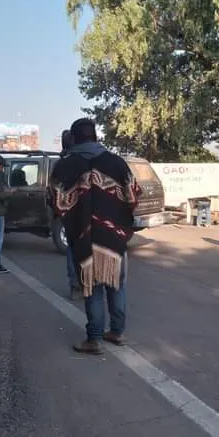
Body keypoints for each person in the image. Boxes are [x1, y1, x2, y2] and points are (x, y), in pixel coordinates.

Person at [52, 118, 141, 355]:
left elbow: (55, 201)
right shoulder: (116, 162)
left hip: (85, 239)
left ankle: (94, 340)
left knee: (92, 289)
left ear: (73, 138)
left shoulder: (66, 165)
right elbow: (133, 196)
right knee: (117, 287)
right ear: (95, 136)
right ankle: (118, 332)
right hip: (115, 239)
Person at [56, 129, 82, 298]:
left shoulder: (60, 163)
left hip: (68, 215)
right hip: (87, 213)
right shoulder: (84, 161)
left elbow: (53, 191)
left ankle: (75, 286)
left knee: (72, 250)